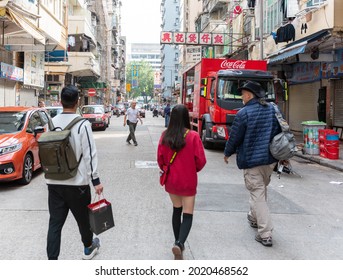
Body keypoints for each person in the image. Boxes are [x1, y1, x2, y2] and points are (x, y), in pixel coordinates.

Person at [45, 85, 104, 260]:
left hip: (54, 183)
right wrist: (96, 181)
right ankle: (87, 248)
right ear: (77, 102)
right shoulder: (83, 124)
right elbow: (90, 154)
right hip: (77, 184)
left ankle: (52, 261)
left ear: (60, 102)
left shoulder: (51, 123)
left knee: (55, 224)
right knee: (83, 221)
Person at [223, 81, 281, 247]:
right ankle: (254, 217)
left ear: (249, 95)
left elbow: (235, 137)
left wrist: (227, 152)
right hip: (270, 160)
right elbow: (279, 133)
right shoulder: (273, 109)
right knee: (260, 191)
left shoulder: (244, 113)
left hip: (252, 160)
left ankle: (266, 233)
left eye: (243, 94)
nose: (242, 97)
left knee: (257, 192)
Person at [157, 104, 207, 260]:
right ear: (187, 117)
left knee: (176, 210)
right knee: (188, 214)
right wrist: (192, 169)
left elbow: (160, 160)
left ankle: (178, 242)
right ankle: (179, 243)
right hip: (188, 180)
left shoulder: (165, 135)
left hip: (171, 180)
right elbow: (201, 161)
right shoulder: (193, 136)